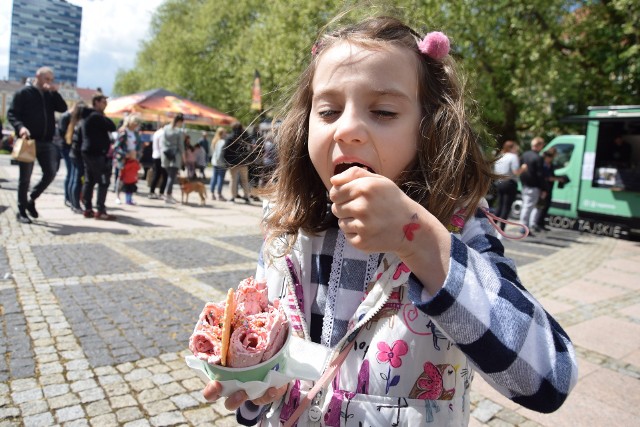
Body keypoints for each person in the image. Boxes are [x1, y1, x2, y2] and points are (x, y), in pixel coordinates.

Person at [202, 16, 578, 426]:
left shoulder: (460, 230)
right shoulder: (286, 228)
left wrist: (418, 240)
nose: (347, 129)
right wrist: (254, 388)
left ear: (429, 128)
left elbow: (549, 379)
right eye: (327, 110)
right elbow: (269, 370)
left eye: (382, 111)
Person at [7, 66, 68, 223]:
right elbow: (12, 113)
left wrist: (54, 92)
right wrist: (20, 127)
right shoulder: (24, 93)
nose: (48, 82)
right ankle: (21, 211)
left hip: (46, 141)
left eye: (51, 80)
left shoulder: (49, 95)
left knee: (51, 171)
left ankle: (31, 199)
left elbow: (63, 108)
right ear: (37, 77)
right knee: (25, 178)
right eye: (46, 79)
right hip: (29, 140)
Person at [81, 92, 117, 220]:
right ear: (96, 102)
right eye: (103, 101)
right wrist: (103, 115)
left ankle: (88, 208)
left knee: (90, 181)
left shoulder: (89, 115)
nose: (106, 104)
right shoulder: (95, 116)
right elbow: (112, 126)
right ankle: (100, 209)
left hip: (90, 152)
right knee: (103, 181)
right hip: (96, 153)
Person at [493, 140, 525, 231]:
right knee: (506, 206)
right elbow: (516, 172)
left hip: (499, 182)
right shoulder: (513, 157)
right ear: (512, 148)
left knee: (499, 205)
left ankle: (493, 226)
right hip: (509, 182)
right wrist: (523, 168)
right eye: (515, 147)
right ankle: (502, 229)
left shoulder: (500, 156)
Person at [113, 115, 142, 204]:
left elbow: (138, 146)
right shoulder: (123, 131)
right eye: (134, 123)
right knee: (121, 178)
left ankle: (129, 197)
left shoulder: (136, 133)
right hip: (123, 159)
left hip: (133, 159)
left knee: (131, 178)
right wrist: (125, 154)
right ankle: (117, 196)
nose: (135, 126)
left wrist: (137, 154)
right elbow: (117, 146)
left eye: (137, 124)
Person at [65, 102, 89, 214]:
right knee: (76, 180)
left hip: (73, 153)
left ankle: (72, 202)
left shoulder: (74, 123)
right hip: (78, 155)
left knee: (73, 178)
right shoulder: (82, 124)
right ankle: (75, 204)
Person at [519, 136, 545, 234]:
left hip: (525, 184)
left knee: (526, 206)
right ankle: (524, 227)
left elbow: (521, 169)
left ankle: (525, 226)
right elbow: (540, 175)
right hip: (534, 186)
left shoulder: (525, 155)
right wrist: (543, 188)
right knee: (529, 206)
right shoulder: (538, 158)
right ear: (538, 145)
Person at [224, 122, 253, 203]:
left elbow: (226, 150)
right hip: (244, 162)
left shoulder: (230, 137)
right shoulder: (245, 137)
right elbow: (250, 147)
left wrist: (227, 162)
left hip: (233, 162)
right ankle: (246, 196)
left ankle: (232, 197)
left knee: (233, 179)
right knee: (245, 180)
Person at [161, 114, 186, 204]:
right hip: (175, 157)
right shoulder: (178, 131)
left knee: (169, 176)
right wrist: (184, 158)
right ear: (179, 121)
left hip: (165, 156)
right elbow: (181, 146)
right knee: (171, 177)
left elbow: (162, 143)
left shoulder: (165, 128)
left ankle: (169, 194)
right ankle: (168, 195)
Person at [148, 124, 167, 199]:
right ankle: (161, 193)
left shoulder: (156, 132)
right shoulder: (163, 133)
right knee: (165, 176)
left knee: (157, 175)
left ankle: (152, 191)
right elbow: (162, 146)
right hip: (161, 156)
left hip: (155, 155)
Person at [209, 127, 228, 200]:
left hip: (214, 162)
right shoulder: (223, 142)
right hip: (221, 163)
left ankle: (212, 193)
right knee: (220, 178)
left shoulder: (215, 141)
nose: (226, 134)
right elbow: (220, 153)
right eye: (225, 132)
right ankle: (219, 194)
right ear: (222, 133)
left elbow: (212, 152)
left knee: (214, 177)